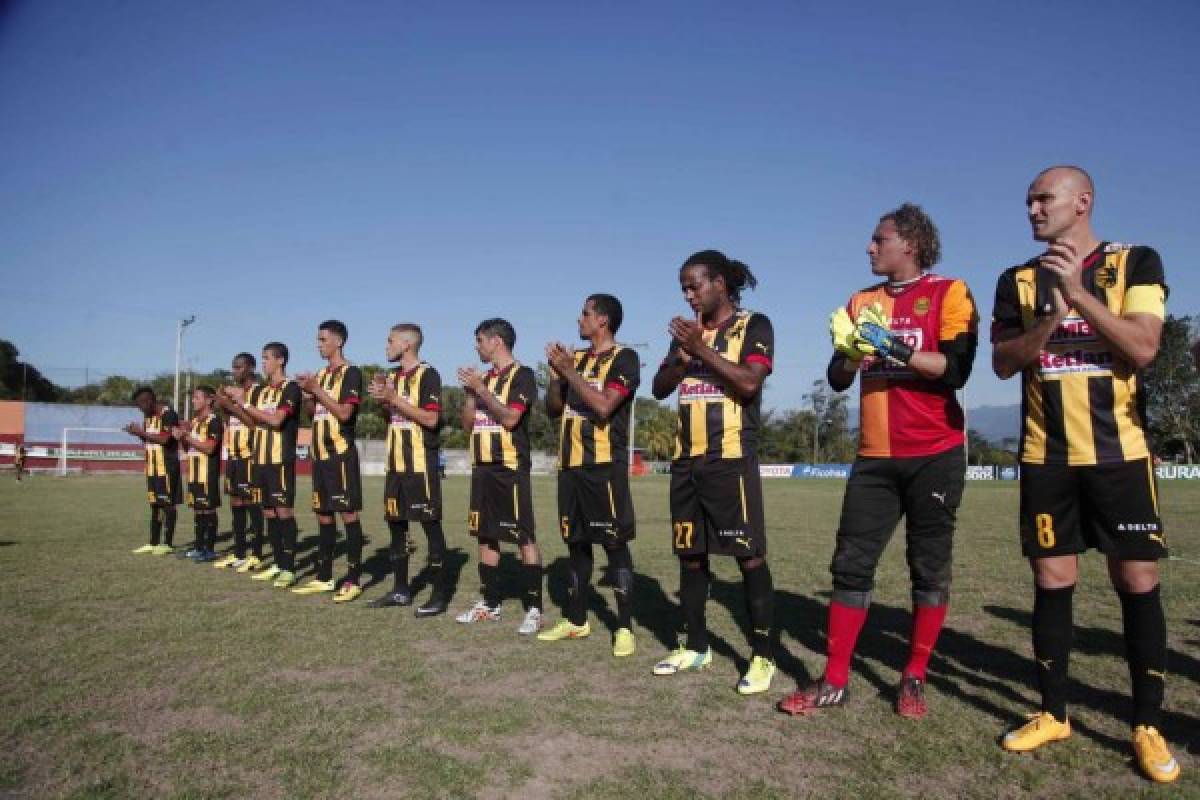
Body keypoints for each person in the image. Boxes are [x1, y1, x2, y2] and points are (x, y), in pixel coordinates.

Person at [991, 166, 1178, 783]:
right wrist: (1047, 319)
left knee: (1136, 579)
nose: (1033, 210)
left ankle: (1146, 725)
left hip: (1120, 455)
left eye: (1044, 198)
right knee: (1052, 577)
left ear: (1083, 202)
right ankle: (1053, 712)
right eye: (1029, 201)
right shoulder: (1015, 280)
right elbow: (1002, 363)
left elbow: (1144, 347)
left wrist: (1079, 295)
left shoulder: (1136, 262)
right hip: (1046, 457)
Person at [777, 203, 978, 718]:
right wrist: (849, 348)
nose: (869, 247)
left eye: (878, 239)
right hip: (873, 458)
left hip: (935, 453)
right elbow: (840, 378)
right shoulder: (860, 300)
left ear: (909, 242)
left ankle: (913, 676)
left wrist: (893, 347)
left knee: (928, 570)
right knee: (851, 567)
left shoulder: (949, 293)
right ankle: (835, 680)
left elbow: (955, 370)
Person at [649, 250, 777, 695]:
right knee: (690, 554)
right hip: (686, 463)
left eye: (695, 285)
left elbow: (748, 383)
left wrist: (702, 348)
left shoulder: (753, 325)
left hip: (730, 461)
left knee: (748, 556)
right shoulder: (686, 335)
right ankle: (696, 645)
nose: (689, 295)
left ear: (719, 283)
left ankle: (763, 656)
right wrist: (684, 358)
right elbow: (660, 387)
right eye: (683, 288)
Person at [540, 294, 640, 657]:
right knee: (576, 544)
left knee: (614, 545)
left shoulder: (625, 358)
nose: (579, 320)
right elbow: (552, 410)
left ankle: (625, 627)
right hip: (569, 468)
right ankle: (577, 619)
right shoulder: (576, 359)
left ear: (603, 321)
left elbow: (603, 408)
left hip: (603, 468)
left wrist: (569, 373)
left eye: (585, 313)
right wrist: (556, 378)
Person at [454, 318, 545, 635]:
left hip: (509, 468)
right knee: (485, 534)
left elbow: (509, 419)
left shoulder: (523, 376)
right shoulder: (484, 379)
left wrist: (481, 390)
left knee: (523, 536)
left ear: (496, 341)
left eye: (480, 339)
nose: (477, 346)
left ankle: (534, 608)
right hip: (482, 468)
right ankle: (489, 604)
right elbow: (467, 425)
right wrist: (470, 394)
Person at [366, 323, 449, 616]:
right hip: (395, 466)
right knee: (396, 527)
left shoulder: (428, 374)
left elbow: (430, 420)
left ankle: (439, 596)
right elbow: (393, 419)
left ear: (406, 344)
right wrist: (382, 402)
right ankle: (401, 590)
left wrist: (393, 399)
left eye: (390, 341)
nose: (386, 346)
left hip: (419, 466)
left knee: (430, 527)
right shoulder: (391, 377)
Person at [292, 321, 367, 603]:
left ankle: (353, 579)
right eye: (318, 339)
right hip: (320, 456)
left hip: (340, 455)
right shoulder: (322, 374)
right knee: (323, 514)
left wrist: (317, 390)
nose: (318, 344)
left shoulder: (351, 373)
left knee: (347, 514)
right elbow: (317, 412)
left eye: (322, 339)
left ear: (338, 341)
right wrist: (308, 395)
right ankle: (324, 577)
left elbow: (345, 413)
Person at [220, 342, 303, 589]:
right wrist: (234, 407)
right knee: (268, 512)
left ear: (280, 361)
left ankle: (288, 567)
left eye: (267, 358)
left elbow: (277, 421)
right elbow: (252, 422)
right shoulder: (262, 392)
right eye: (263, 358)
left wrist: (244, 403)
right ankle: (277, 563)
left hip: (279, 460)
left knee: (283, 511)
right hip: (260, 460)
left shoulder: (291, 388)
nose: (263, 363)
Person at [213, 353, 265, 571]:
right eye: (233, 367)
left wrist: (232, 406)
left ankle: (257, 554)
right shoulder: (233, 393)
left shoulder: (258, 392)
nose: (235, 371)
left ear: (251, 367)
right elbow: (231, 421)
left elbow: (254, 423)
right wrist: (224, 407)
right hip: (233, 456)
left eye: (240, 367)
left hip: (250, 456)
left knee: (253, 504)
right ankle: (239, 552)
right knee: (235, 504)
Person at [126, 387, 181, 555]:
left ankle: (167, 543)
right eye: (137, 406)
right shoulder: (148, 417)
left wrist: (141, 432)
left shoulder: (168, 414)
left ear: (149, 400)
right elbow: (151, 440)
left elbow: (165, 439)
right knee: (155, 505)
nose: (140, 408)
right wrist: (138, 434)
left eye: (141, 404)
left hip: (166, 468)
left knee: (167, 505)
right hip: (152, 467)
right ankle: (153, 542)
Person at [173, 386, 224, 563]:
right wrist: (181, 438)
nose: (193, 401)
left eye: (196, 398)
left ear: (209, 400)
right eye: (193, 398)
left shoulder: (214, 421)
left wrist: (187, 437)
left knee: (208, 510)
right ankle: (199, 547)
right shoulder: (194, 421)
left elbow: (210, 448)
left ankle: (209, 550)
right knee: (198, 512)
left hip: (206, 474)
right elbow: (190, 448)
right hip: (193, 473)